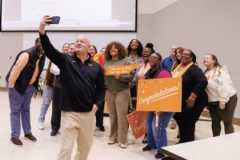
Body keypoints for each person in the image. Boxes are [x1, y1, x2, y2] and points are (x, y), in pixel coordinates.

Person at [39, 16, 105, 160]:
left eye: (82, 41)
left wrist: (97, 105)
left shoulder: (96, 67)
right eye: (77, 41)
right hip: (69, 113)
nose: (78, 43)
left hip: (88, 114)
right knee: (65, 150)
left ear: (89, 47)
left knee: (84, 150)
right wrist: (42, 30)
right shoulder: (66, 60)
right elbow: (49, 50)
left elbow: (101, 89)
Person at [6, 38, 45, 145]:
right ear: (36, 44)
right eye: (41, 44)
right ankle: (14, 135)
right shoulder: (26, 54)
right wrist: (12, 86)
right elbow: (16, 70)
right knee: (15, 110)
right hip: (17, 85)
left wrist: (32, 86)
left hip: (29, 86)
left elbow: (37, 71)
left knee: (26, 109)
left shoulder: (43, 55)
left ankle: (27, 132)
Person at [172, 49, 208, 143]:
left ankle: (186, 143)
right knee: (181, 120)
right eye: (182, 54)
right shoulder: (177, 67)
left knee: (188, 123)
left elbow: (203, 81)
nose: (184, 55)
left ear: (191, 57)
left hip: (194, 101)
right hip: (180, 100)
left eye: (187, 54)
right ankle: (183, 141)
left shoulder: (194, 68)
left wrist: (193, 96)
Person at [141, 52, 172, 159]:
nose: (151, 59)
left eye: (154, 57)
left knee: (158, 127)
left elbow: (166, 91)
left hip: (162, 104)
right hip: (152, 102)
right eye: (150, 57)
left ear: (159, 60)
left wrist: (161, 107)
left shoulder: (164, 73)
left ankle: (162, 150)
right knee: (149, 124)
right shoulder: (150, 71)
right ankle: (151, 144)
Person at [203, 54, 237, 136]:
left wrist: (223, 100)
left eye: (207, 58)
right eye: (204, 58)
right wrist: (207, 102)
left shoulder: (221, 71)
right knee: (215, 121)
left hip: (227, 99)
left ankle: (229, 141)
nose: (204, 59)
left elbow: (225, 86)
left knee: (227, 122)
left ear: (214, 60)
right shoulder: (205, 72)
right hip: (213, 101)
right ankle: (216, 139)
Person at [104, 41, 130, 149]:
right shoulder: (107, 62)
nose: (112, 50)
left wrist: (119, 77)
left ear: (119, 50)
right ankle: (112, 137)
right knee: (112, 116)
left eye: (115, 48)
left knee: (122, 116)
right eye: (110, 49)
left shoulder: (126, 61)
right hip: (109, 91)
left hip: (122, 91)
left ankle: (122, 139)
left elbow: (130, 77)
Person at [89, 44, 106, 131]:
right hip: (89, 87)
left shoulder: (100, 59)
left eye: (93, 49)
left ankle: (99, 124)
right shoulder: (86, 60)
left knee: (100, 106)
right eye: (90, 49)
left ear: (95, 51)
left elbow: (104, 69)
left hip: (99, 86)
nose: (91, 51)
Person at [38, 62, 54, 130]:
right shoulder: (51, 65)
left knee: (57, 106)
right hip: (49, 85)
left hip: (59, 87)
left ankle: (55, 124)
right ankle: (41, 120)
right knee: (45, 103)